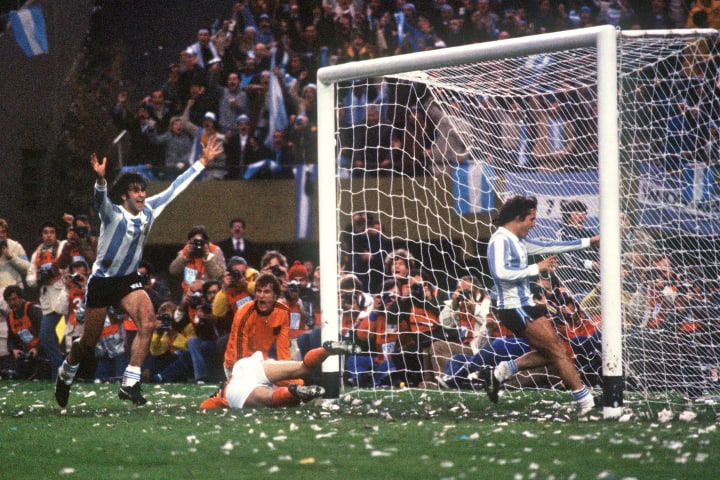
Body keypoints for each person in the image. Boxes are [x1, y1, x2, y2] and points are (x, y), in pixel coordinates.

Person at [54, 136, 223, 408]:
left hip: (129, 280)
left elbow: (175, 187)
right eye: (136, 190)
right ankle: (66, 373)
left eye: (143, 189)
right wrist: (100, 181)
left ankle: (130, 382)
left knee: (148, 322)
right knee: (87, 342)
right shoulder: (113, 214)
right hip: (103, 282)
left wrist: (202, 162)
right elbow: (100, 202)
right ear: (124, 196)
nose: (142, 194)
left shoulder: (150, 210)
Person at [482, 194, 600, 415]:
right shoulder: (500, 240)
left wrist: (591, 241)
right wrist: (537, 268)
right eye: (532, 219)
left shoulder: (518, 241)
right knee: (558, 351)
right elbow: (500, 272)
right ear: (518, 218)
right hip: (513, 307)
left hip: (526, 305)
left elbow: (553, 245)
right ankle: (586, 402)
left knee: (554, 351)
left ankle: (501, 372)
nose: (534, 224)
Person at [200, 339, 360, 409]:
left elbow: (205, 406)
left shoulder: (223, 395)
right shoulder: (235, 374)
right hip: (246, 365)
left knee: (272, 399)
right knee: (303, 367)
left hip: (236, 392)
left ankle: (293, 392)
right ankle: (326, 350)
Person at [223, 272, 291, 378]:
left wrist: (285, 373)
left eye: (267, 292)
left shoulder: (283, 311)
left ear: (275, 296)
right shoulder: (244, 312)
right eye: (259, 291)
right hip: (235, 364)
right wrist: (242, 376)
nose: (261, 296)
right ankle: (223, 390)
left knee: (294, 383)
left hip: (261, 362)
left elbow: (283, 348)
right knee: (252, 391)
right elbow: (239, 353)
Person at [26, 221, 68, 381]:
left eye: (51, 232)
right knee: (45, 336)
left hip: (66, 293)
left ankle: (75, 373)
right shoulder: (36, 254)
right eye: (45, 232)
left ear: (56, 234)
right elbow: (29, 278)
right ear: (41, 235)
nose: (48, 235)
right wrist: (39, 277)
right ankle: (60, 372)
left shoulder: (63, 246)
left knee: (72, 338)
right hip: (47, 300)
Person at [3, 285, 47, 379]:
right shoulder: (9, 316)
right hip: (26, 351)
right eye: (9, 300)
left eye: (14, 299)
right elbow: (11, 339)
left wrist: (36, 348)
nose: (12, 303)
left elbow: (45, 332)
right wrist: (14, 350)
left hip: (42, 348)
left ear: (20, 298)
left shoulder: (33, 310)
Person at [168, 225, 226, 294]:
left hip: (209, 294)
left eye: (200, 241)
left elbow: (220, 276)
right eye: (194, 242)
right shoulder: (185, 251)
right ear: (189, 242)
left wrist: (208, 257)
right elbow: (173, 271)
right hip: (189, 293)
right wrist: (185, 257)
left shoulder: (215, 251)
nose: (198, 244)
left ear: (206, 241)